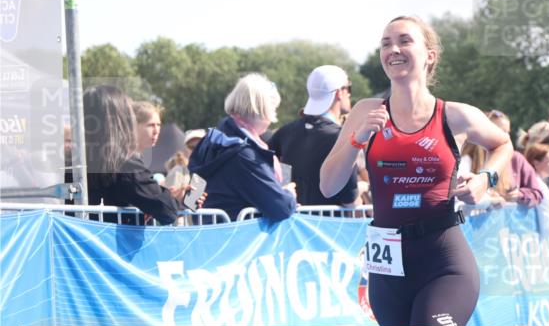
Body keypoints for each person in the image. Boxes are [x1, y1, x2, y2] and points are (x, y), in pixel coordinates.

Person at [318, 16, 512, 326]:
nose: (394, 49)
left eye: (405, 40)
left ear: (429, 55)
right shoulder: (365, 109)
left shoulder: (455, 115)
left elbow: (503, 144)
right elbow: (327, 184)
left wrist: (485, 180)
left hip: (444, 261)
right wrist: (357, 137)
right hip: (389, 270)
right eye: (386, 43)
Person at [189, 73, 298, 222]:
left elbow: (191, 200)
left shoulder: (211, 140)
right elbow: (281, 207)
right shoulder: (244, 155)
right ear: (263, 110)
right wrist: (289, 194)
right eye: (274, 108)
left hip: (208, 233)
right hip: (238, 238)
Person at [83, 86, 192, 225]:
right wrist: (178, 201)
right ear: (120, 120)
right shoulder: (123, 163)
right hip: (116, 244)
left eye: (158, 125)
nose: (156, 130)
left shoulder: (72, 161)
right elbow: (166, 209)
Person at [269, 65, 360, 206]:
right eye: (349, 88)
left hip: (293, 223)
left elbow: (271, 169)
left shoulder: (285, 132)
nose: (349, 94)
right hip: (331, 225)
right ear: (339, 93)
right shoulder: (342, 137)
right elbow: (351, 202)